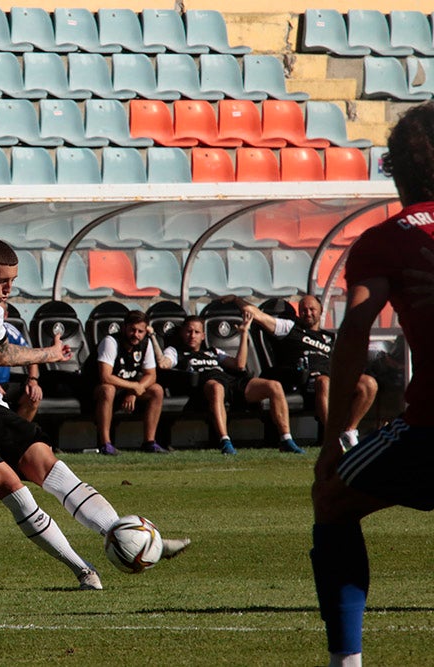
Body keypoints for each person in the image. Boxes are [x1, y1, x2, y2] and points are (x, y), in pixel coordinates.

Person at [0, 236, 189, 590]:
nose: (9, 288)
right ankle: (84, 571)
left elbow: (1, 355)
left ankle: (136, 539)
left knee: (50, 466)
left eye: (12, 280)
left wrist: (48, 355)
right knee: (13, 488)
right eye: (0, 281)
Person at [311, 102, 434, 667]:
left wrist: (337, 436)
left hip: (433, 427)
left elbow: (356, 329)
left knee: (334, 497)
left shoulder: (387, 241)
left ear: (395, 171)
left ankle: (347, 662)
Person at [238, 295, 378, 450]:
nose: (308, 313)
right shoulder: (290, 327)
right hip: (307, 379)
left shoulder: (330, 338)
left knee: (369, 383)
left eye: (312, 309)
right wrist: (234, 299)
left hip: (333, 378)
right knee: (323, 381)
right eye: (303, 310)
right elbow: (256, 314)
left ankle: (349, 431)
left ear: (321, 311)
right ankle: (332, 436)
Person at [156, 313, 304, 455]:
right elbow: (164, 364)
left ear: (203, 336)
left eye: (196, 332)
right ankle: (225, 441)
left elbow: (239, 365)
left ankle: (286, 440)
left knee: (274, 386)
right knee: (216, 387)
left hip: (230, 382)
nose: (192, 335)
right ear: (182, 333)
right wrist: (152, 338)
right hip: (206, 385)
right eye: (188, 331)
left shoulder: (213, 351)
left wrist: (244, 333)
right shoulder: (175, 352)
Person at [93, 310, 167, 456]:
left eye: (140, 331)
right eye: (132, 330)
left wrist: (133, 392)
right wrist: (134, 386)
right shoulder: (111, 342)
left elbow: (151, 375)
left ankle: (149, 442)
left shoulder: (146, 343)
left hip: (126, 389)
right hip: (96, 391)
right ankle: (105, 444)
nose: (136, 335)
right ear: (124, 327)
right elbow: (105, 377)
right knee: (108, 389)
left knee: (156, 390)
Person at [0, 320, 42, 422]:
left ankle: (17, 435)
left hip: (4, 385)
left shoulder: (9, 330)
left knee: (33, 396)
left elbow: (31, 357)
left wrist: (33, 381)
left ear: (6, 315)